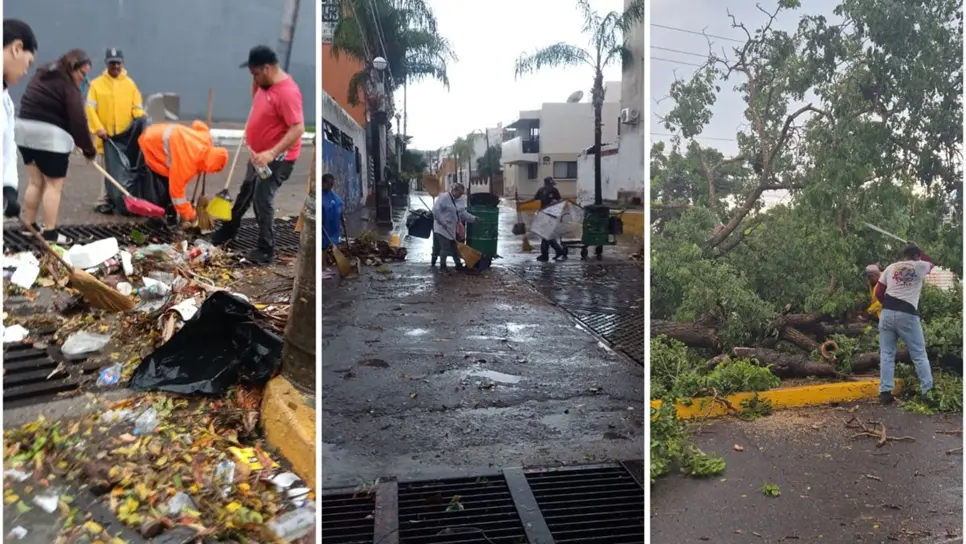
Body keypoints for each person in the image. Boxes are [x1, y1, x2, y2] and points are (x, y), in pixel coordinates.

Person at [210, 45, 305, 265]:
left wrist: (271, 153)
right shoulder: (264, 83)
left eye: (255, 74)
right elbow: (259, 104)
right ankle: (228, 230)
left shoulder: (288, 93)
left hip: (277, 160)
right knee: (246, 193)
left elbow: (298, 128)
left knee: (262, 199)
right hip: (258, 156)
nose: (253, 79)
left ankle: (266, 249)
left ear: (268, 68)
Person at [18, 49, 96, 243]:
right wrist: (88, 149)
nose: (84, 78)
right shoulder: (68, 86)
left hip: (24, 130)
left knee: (35, 181)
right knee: (54, 185)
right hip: (49, 137)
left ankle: (30, 225)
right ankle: (50, 233)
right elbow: (78, 120)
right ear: (74, 67)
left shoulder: (44, 72)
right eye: (83, 74)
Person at [86, 48, 147, 214]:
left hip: (124, 140)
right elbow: (90, 109)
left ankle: (118, 199)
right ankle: (103, 200)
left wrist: (141, 120)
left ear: (122, 63)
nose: (115, 66)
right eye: (112, 63)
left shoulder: (130, 85)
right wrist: (98, 129)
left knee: (121, 172)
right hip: (105, 139)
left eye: (118, 63)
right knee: (105, 171)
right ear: (107, 64)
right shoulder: (96, 85)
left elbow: (137, 108)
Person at [875, 243, 935, 404]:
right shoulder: (921, 266)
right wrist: (921, 249)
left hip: (887, 313)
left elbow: (878, 292)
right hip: (908, 314)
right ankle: (927, 392)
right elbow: (931, 262)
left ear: (905, 256)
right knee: (919, 354)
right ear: (917, 256)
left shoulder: (891, 267)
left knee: (887, 354)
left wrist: (888, 306)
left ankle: (885, 393)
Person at [139, 120, 229, 227]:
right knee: (163, 186)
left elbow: (198, 125)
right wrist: (191, 215)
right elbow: (177, 195)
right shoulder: (187, 164)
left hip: (159, 130)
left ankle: (168, 213)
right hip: (150, 143)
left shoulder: (206, 140)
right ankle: (158, 217)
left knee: (171, 179)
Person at [2, 19, 38, 220]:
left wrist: (9, 188)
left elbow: (7, 148)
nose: (26, 71)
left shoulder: (5, 99)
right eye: (28, 62)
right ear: (17, 48)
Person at [432, 182, 479, 273]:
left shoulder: (460, 200)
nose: (460, 195)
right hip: (441, 228)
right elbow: (435, 210)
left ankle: (458, 265)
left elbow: (462, 213)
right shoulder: (444, 197)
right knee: (444, 247)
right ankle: (443, 266)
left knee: (455, 247)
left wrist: (473, 218)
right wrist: (442, 222)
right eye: (459, 193)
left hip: (452, 228)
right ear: (454, 190)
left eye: (462, 193)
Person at [521, 176, 566, 262]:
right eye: (550, 184)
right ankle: (558, 251)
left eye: (552, 184)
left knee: (545, 235)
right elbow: (534, 199)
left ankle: (545, 255)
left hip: (552, 215)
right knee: (546, 235)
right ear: (546, 184)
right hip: (543, 214)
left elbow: (560, 201)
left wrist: (556, 202)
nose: (551, 186)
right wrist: (523, 203)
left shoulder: (554, 191)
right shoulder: (541, 190)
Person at [321, 173, 348, 250]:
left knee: (332, 247)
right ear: (323, 183)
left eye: (332, 184)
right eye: (328, 184)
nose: (330, 186)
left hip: (333, 228)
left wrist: (342, 221)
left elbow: (339, 208)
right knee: (323, 248)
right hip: (324, 228)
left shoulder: (333, 195)